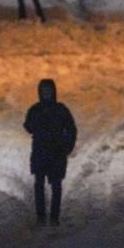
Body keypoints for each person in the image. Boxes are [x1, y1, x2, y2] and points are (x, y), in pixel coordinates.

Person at [23, 78, 76, 226]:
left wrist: (67, 146)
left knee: (56, 185)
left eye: (49, 90)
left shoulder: (60, 110)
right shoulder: (35, 110)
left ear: (53, 92)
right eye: (44, 90)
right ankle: (41, 216)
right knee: (39, 185)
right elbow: (28, 126)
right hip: (40, 152)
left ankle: (54, 217)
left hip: (56, 153)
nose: (46, 93)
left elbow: (71, 129)